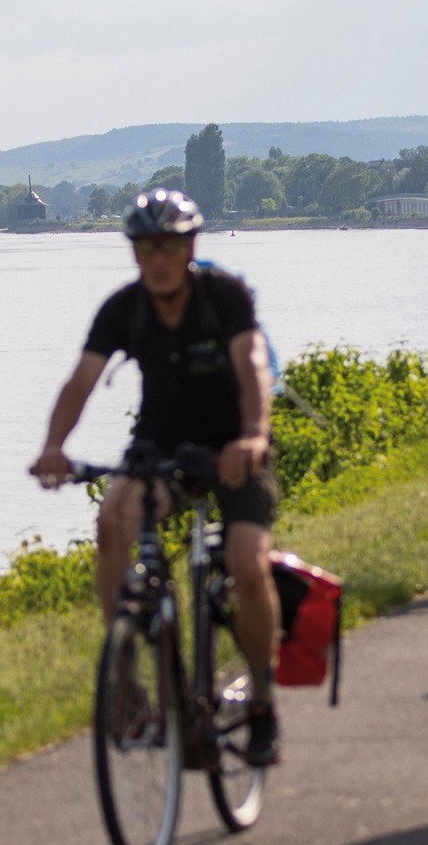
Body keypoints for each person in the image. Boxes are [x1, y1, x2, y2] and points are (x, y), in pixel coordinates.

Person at [32, 188, 285, 766]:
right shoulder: (125, 308)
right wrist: (53, 447)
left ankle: (264, 704)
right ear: (135, 252)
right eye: (147, 247)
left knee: (247, 563)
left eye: (169, 245)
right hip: (160, 444)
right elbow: (81, 383)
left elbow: (251, 367)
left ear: (189, 245)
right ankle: (129, 682)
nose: (159, 258)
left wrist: (252, 434)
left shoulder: (223, 296)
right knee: (112, 521)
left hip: (233, 445)